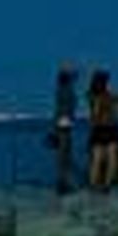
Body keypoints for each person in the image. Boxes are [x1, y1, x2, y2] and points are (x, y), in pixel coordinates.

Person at [86, 69, 118, 191]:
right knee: (111, 158)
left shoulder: (91, 95)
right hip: (111, 129)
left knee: (97, 159)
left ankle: (94, 185)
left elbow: (94, 115)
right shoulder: (105, 96)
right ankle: (106, 185)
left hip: (98, 130)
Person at [50, 65, 78, 195]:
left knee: (64, 156)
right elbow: (63, 111)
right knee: (64, 156)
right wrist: (57, 128)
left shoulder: (62, 89)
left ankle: (63, 183)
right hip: (64, 126)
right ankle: (63, 184)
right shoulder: (66, 91)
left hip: (63, 125)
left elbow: (59, 110)